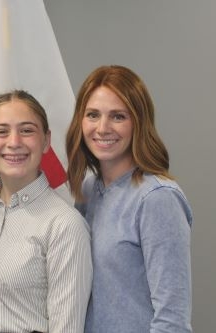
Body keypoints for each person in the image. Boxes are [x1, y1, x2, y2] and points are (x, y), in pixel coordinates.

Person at [66, 65, 193, 333]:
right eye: (93, 115)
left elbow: (172, 319)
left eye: (118, 116)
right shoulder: (87, 191)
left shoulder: (157, 199)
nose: (102, 128)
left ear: (138, 121)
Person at [0, 90, 92, 333]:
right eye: (1, 131)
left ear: (46, 140)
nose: (14, 142)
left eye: (27, 130)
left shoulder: (64, 225)